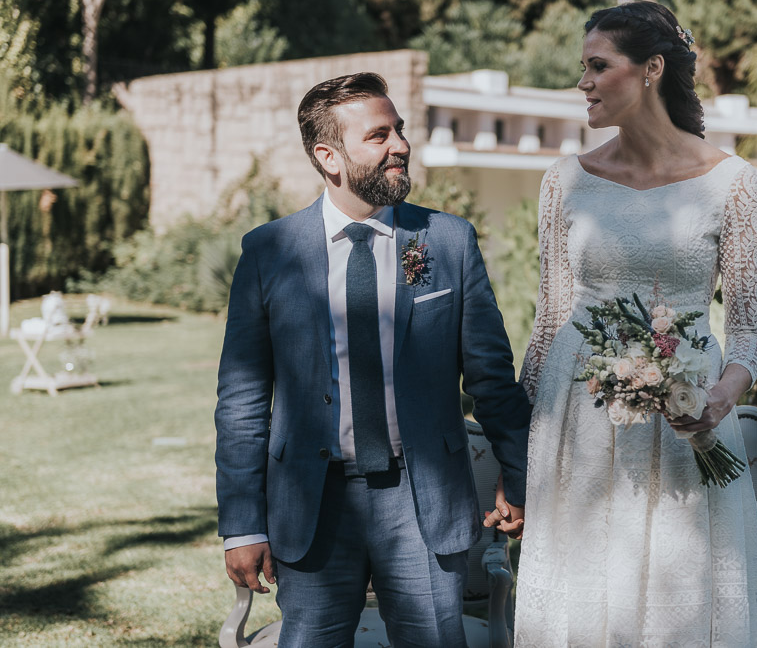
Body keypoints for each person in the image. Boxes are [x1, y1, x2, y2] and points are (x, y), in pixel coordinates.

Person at [214, 72, 530, 647]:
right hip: (313, 504)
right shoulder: (269, 252)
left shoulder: (448, 241)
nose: (400, 145)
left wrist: (520, 473)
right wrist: (241, 523)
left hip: (423, 499)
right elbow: (242, 399)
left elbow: (492, 376)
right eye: (379, 135)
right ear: (328, 156)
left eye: (400, 131)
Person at [508, 1, 757, 646]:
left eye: (599, 67)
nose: (585, 83)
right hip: (578, 418)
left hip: (688, 421)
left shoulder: (734, 184)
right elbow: (549, 323)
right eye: (584, 68)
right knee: (586, 581)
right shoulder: (563, 183)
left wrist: (717, 400)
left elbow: (746, 331)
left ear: (652, 68)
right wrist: (516, 451)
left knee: (676, 588)